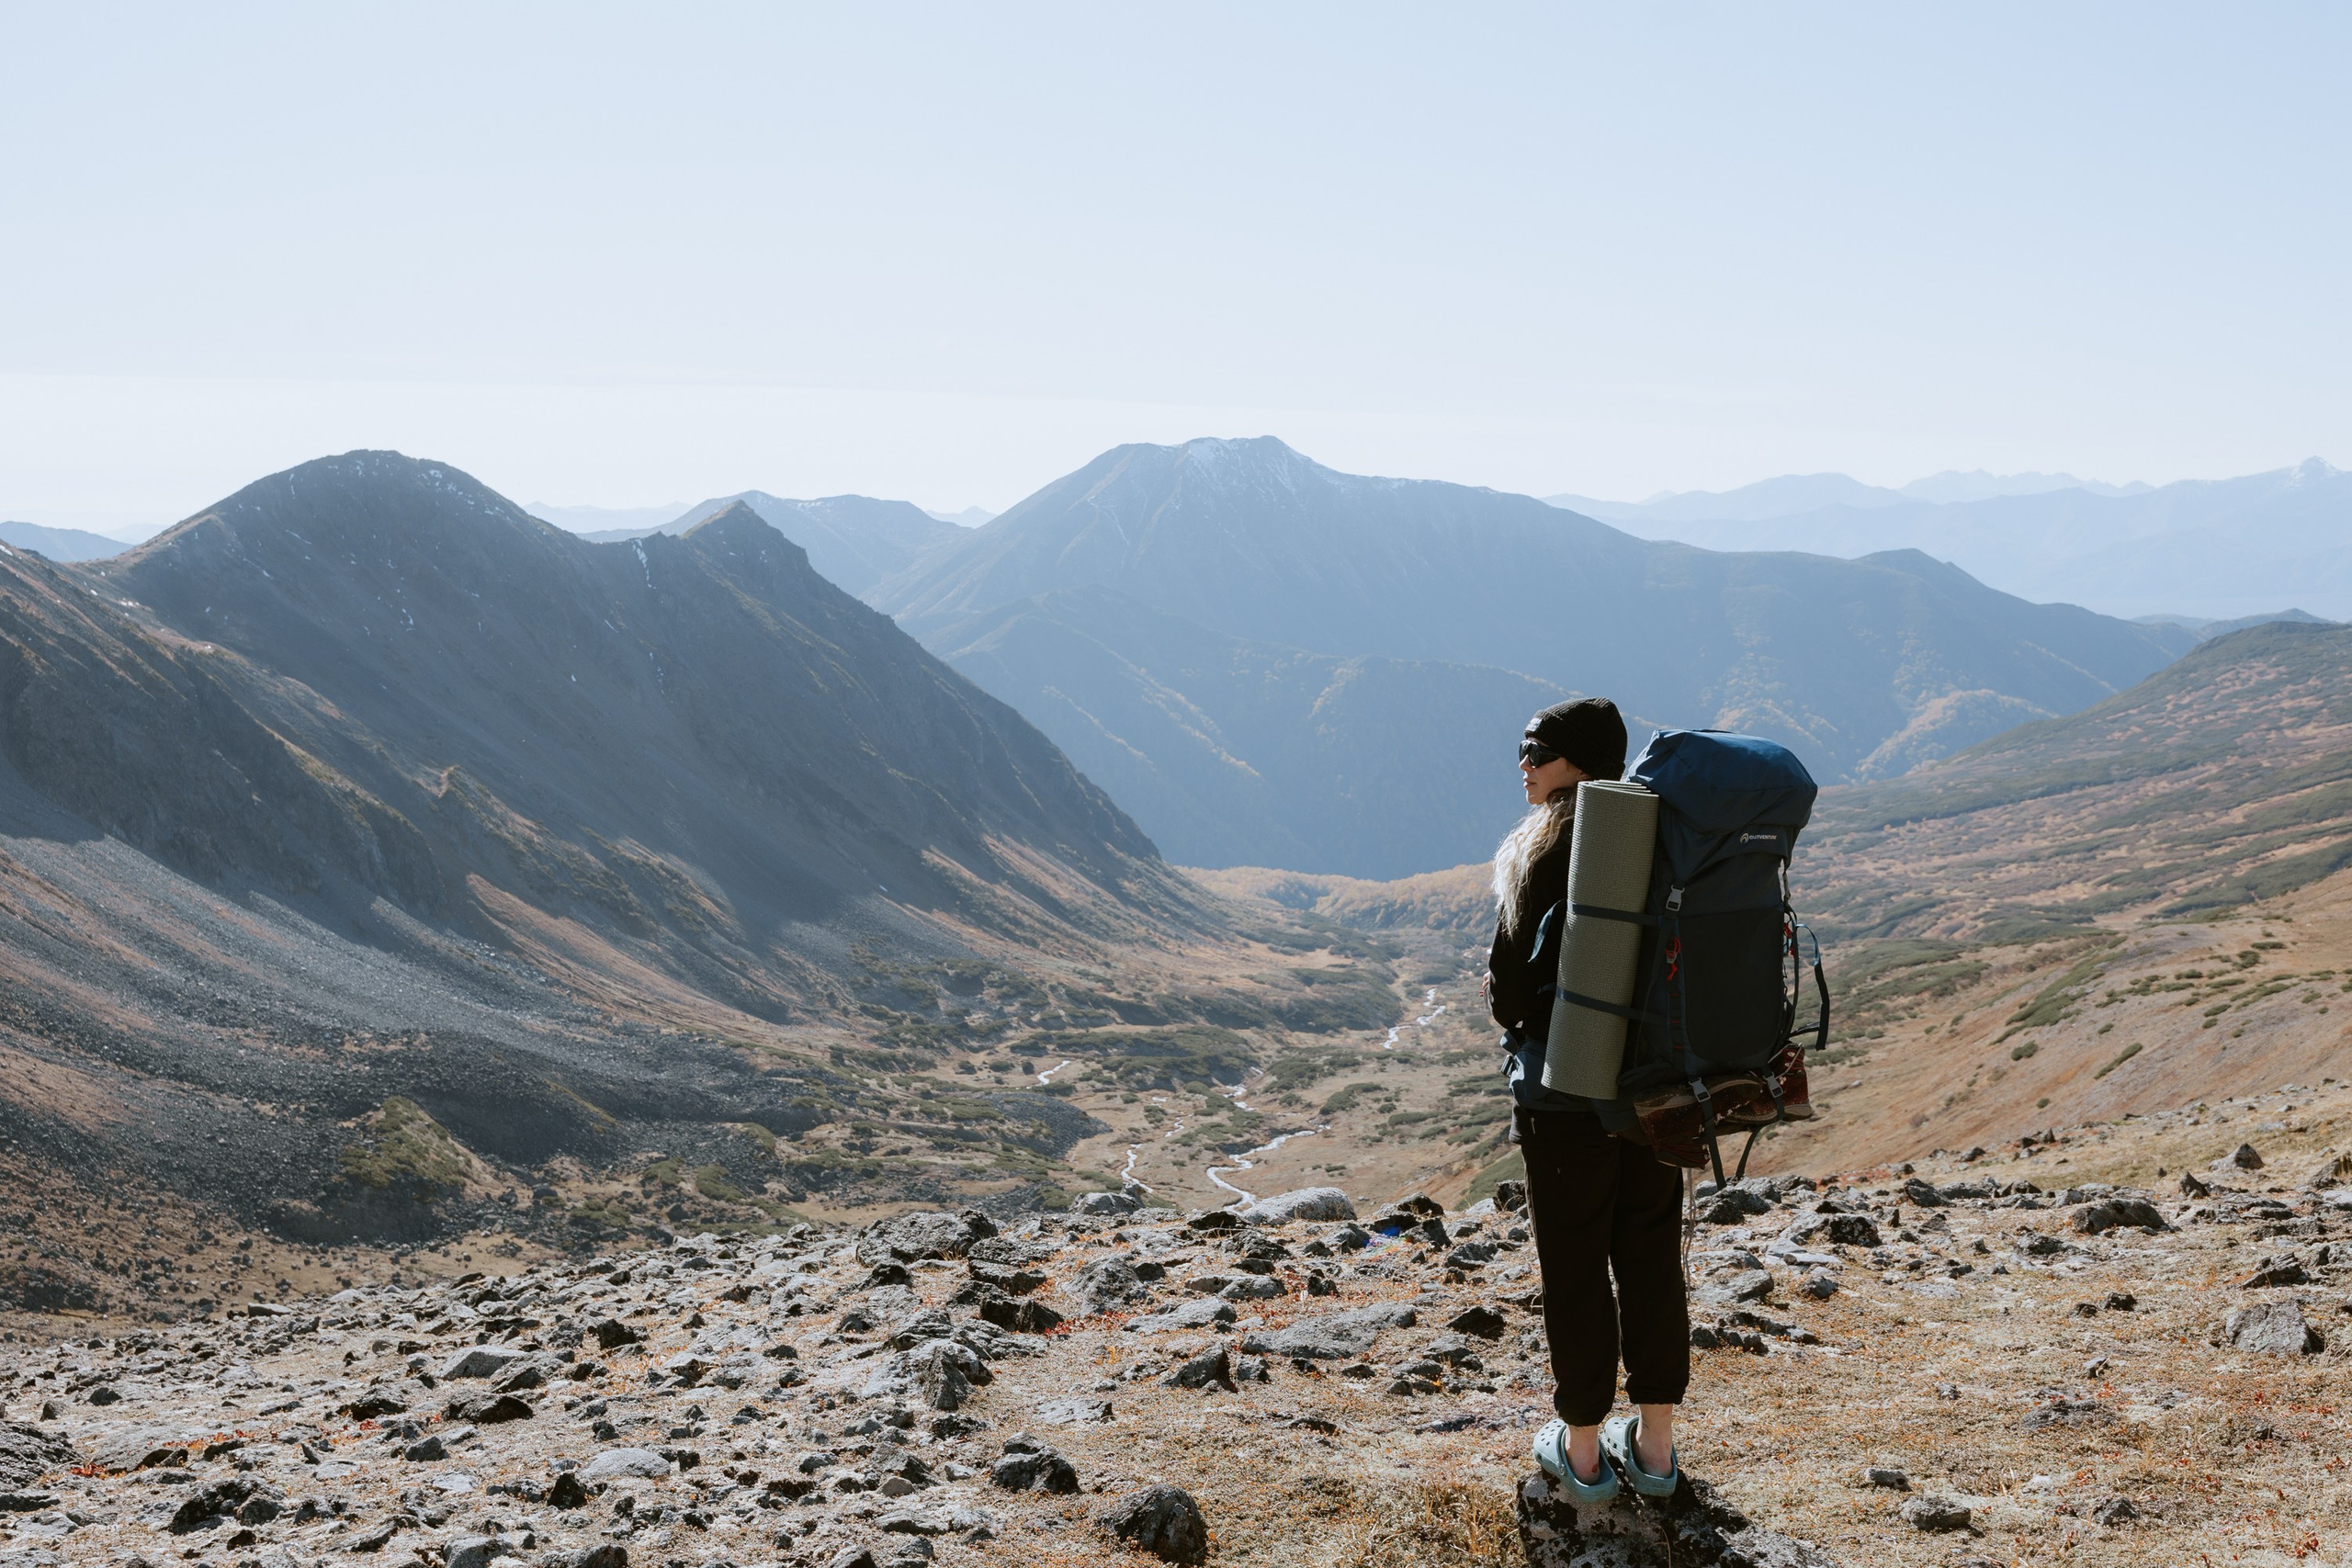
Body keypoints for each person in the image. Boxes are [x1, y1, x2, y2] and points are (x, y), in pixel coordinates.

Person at [1486, 696, 1687, 1503]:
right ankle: (1660, 1452)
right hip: (1655, 1089)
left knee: (1574, 1264)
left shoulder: (1543, 847)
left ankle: (1584, 1456)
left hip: (1564, 1098)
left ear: (1578, 762)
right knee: (1648, 1254)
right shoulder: (1660, 833)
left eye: (1536, 750)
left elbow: (1511, 995)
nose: (1524, 764)